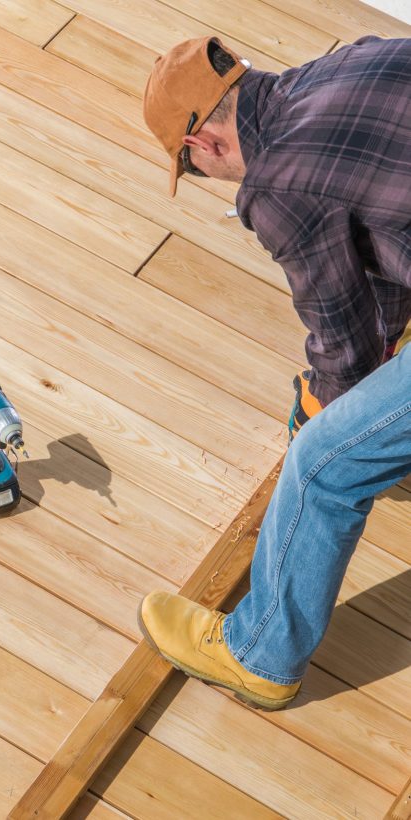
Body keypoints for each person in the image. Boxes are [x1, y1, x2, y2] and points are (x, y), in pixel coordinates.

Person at [137, 36, 411, 709]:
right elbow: (389, 231)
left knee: (324, 466)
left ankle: (260, 654)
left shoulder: (278, 184)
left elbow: (344, 345)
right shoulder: (361, 60)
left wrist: (324, 410)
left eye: (195, 171)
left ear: (205, 146)